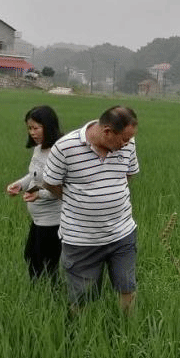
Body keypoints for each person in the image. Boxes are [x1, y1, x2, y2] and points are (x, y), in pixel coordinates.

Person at [42, 106, 140, 311]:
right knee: (81, 297)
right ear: (107, 132)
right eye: (123, 139)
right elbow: (51, 183)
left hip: (122, 233)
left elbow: (127, 175)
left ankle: (129, 331)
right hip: (81, 240)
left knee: (127, 287)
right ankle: (78, 336)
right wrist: (77, 200)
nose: (127, 144)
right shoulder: (65, 147)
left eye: (129, 139)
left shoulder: (127, 145)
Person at [6, 105, 63, 281]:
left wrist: (38, 194)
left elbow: (61, 188)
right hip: (38, 219)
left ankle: (50, 299)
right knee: (31, 258)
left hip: (53, 221)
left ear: (48, 126)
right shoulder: (39, 149)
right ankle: (40, 295)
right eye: (29, 128)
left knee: (45, 266)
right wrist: (19, 185)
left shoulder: (59, 152)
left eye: (36, 128)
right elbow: (34, 176)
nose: (32, 132)